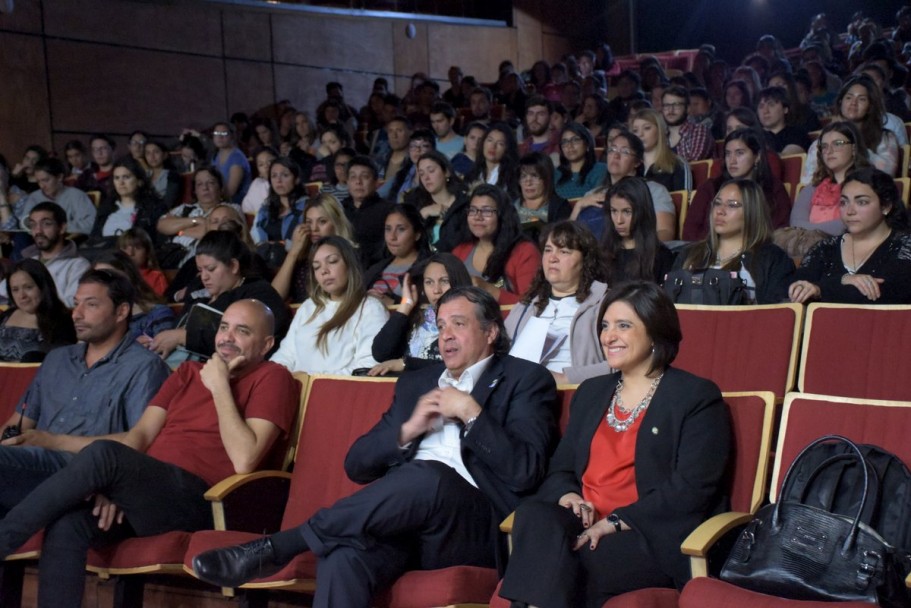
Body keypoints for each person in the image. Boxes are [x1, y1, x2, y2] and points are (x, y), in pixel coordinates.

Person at [191, 286, 557, 608]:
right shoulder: (417, 384)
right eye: (440, 325)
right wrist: (407, 431)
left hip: (471, 526)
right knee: (343, 555)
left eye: (458, 324)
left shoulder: (524, 379)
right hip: (404, 524)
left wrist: (471, 412)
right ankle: (293, 545)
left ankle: (281, 546)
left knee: (429, 476)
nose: (445, 335)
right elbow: (357, 464)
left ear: (491, 331)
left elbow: (525, 471)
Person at [0, 299, 298, 608]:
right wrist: (114, 486)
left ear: (266, 344)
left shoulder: (273, 377)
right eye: (224, 327)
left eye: (242, 331)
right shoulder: (187, 372)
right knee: (69, 523)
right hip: (149, 493)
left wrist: (220, 386)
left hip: (205, 500)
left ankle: (5, 539)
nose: (227, 337)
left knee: (105, 453)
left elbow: (245, 459)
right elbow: (141, 435)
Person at [498, 281, 731, 608]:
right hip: (585, 520)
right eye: (605, 326)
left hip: (649, 532)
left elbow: (691, 489)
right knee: (534, 515)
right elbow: (561, 469)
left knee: (563, 562)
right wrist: (569, 496)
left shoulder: (695, 396)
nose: (609, 336)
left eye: (623, 326)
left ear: (655, 331)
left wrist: (615, 522)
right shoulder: (591, 392)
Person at [0, 269, 170, 518]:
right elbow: (16, 423)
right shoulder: (58, 359)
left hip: (83, 471)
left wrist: (52, 441)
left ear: (122, 312)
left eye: (90, 305)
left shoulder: (144, 367)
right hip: (30, 465)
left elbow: (141, 440)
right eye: (76, 304)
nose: (76, 314)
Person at [149, 231, 287, 363]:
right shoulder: (198, 289)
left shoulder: (258, 294)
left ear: (233, 266)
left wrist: (183, 337)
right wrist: (156, 342)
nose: (204, 277)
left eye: (211, 269)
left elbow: (251, 343)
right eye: (200, 270)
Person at [504, 221, 609, 385]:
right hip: (523, 392)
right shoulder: (525, 307)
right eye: (548, 250)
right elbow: (500, 357)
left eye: (564, 251)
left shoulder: (604, 304)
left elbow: (623, 364)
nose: (552, 258)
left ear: (585, 260)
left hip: (579, 393)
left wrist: (565, 378)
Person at [790, 168, 911, 305]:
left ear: (886, 206)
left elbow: (888, 293)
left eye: (861, 202)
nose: (849, 211)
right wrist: (843, 279)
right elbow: (797, 290)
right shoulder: (824, 248)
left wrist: (821, 289)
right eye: (843, 202)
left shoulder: (905, 246)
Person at [270, 236, 387, 375]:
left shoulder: (370, 308)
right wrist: (272, 377)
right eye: (316, 267)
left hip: (335, 392)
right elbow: (286, 355)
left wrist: (311, 381)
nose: (324, 270)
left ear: (349, 264)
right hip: (296, 388)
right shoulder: (308, 307)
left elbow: (367, 367)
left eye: (332, 261)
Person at [676, 178, 794, 304]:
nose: (720, 211)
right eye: (717, 203)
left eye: (732, 205)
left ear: (752, 211)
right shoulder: (689, 254)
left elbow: (778, 315)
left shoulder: (772, 258)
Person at [369, 252, 472, 375]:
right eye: (429, 282)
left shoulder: (469, 319)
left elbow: (459, 364)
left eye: (444, 281)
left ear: (458, 282)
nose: (436, 290)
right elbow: (380, 353)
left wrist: (405, 364)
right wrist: (405, 305)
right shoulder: (419, 316)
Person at [684, 128, 791, 241]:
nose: (732, 160)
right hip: (710, 252)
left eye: (740, 153)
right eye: (728, 154)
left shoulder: (773, 188)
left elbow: (780, 230)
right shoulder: (710, 187)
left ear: (757, 156)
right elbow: (690, 232)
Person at [572, 129, 677, 242]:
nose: (616, 155)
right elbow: (568, 238)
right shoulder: (592, 194)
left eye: (625, 152)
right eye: (612, 149)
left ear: (637, 162)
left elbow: (665, 233)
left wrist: (639, 251)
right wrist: (579, 205)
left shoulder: (654, 190)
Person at [800, 75, 899, 184]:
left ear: (870, 106)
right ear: (840, 102)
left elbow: (887, 174)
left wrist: (854, 143)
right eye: (848, 97)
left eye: (861, 99)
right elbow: (808, 181)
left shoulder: (885, 138)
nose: (853, 102)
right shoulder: (823, 141)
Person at [452, 184, 541, 305]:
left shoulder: (525, 252)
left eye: (486, 211)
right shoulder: (459, 252)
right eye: (472, 210)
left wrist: (489, 290)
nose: (478, 217)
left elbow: (532, 306)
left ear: (502, 215)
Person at [0, 202, 91, 307]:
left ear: (62, 228)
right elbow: (2, 291)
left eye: (46, 224)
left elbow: (72, 303)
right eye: (33, 225)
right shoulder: (26, 261)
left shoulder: (77, 265)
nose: (38, 231)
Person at [271, 193, 355, 303]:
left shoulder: (351, 254)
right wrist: (293, 253)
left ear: (336, 222)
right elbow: (275, 297)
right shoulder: (301, 257)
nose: (314, 228)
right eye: (309, 222)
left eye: (322, 221)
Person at [790, 122, 870, 237]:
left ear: (853, 148)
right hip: (811, 248)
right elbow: (796, 224)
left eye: (837, 144)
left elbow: (853, 223)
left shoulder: (868, 184)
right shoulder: (812, 188)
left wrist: (810, 231)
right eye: (824, 146)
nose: (829, 151)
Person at [601, 178, 675, 285]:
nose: (619, 220)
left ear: (642, 212)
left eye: (627, 212)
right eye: (614, 211)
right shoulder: (602, 255)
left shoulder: (661, 257)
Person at [0, 259, 76, 362]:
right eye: (15, 290)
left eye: (28, 287)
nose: (22, 296)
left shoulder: (61, 320)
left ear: (43, 287)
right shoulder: (5, 316)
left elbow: (61, 361)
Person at [157, 166, 234, 267]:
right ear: (194, 191)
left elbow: (212, 233)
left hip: (206, 262)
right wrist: (195, 220)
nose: (205, 188)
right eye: (199, 184)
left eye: (210, 183)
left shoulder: (230, 209)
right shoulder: (184, 208)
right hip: (173, 257)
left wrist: (179, 231)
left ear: (220, 187)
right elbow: (162, 225)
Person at [92, 250, 176, 342]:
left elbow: (163, 352)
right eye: (97, 278)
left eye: (110, 276)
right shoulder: (93, 317)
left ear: (128, 277)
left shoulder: (157, 313)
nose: (102, 284)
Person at [4, 158, 97, 237]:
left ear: (60, 177)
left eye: (46, 180)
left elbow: (91, 224)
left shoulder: (77, 195)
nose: (42, 186)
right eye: (39, 181)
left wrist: (58, 227)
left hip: (70, 241)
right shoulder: (34, 197)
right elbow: (25, 223)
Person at [87, 156, 168, 248]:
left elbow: (154, 242)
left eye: (126, 177)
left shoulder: (153, 206)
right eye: (117, 178)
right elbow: (93, 239)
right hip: (104, 255)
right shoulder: (106, 207)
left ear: (139, 181)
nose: (121, 183)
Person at [364, 204, 431, 306]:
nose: (392, 237)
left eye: (401, 229)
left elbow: (430, 309)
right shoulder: (375, 268)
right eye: (388, 229)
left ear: (417, 234)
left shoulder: (428, 268)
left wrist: (393, 303)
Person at [405, 150, 470, 252]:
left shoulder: (465, 204)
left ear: (446, 172)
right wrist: (423, 213)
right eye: (421, 174)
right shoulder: (416, 204)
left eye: (431, 171)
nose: (426, 178)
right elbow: (406, 241)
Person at [339, 156, 394, 268]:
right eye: (353, 177)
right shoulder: (339, 210)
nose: (358, 182)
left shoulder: (388, 210)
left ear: (375, 182)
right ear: (347, 182)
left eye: (365, 177)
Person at [250, 157, 306, 263]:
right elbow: (256, 234)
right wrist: (264, 245)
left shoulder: (307, 207)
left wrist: (283, 245)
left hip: (297, 262)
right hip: (266, 261)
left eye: (285, 175)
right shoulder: (265, 209)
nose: (278, 180)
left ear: (297, 179)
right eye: (274, 176)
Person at [631, 109, 691, 193]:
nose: (640, 134)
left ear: (660, 130)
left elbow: (683, 200)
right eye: (635, 131)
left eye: (647, 128)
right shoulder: (630, 165)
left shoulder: (677, 164)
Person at [554, 123, 607, 200]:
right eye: (565, 142)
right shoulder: (556, 174)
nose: (570, 146)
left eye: (575, 140)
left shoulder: (600, 170)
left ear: (587, 144)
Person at [661, 85, 713, 162]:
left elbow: (693, 161)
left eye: (676, 105)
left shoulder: (698, 130)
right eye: (666, 105)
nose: (670, 110)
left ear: (688, 109)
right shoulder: (660, 135)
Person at [757, 87, 811, 155]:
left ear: (785, 109)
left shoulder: (798, 134)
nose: (765, 111)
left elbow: (784, 158)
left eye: (771, 105)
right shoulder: (753, 137)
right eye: (761, 106)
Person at [118, 228, 168, 297]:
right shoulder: (115, 275)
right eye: (125, 248)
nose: (130, 253)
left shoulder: (156, 276)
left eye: (137, 248)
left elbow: (160, 303)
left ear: (147, 252)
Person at [211, 121, 252, 205]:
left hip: (236, 202)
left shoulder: (236, 157)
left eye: (224, 133)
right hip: (219, 199)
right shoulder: (216, 155)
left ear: (232, 136)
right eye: (216, 133)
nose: (219, 136)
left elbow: (231, 191)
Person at [241, 146, 278, 216]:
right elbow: (247, 210)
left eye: (270, 161)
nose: (266, 166)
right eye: (261, 164)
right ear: (259, 172)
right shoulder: (257, 185)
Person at [144, 140, 182, 209]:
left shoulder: (172, 176)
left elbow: (168, 202)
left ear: (165, 155)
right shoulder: (144, 175)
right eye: (148, 153)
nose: (152, 156)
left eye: (156, 152)